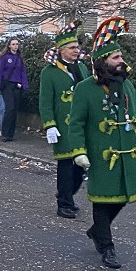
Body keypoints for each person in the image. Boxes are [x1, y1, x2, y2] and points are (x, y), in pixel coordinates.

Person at [68, 17, 136, 269]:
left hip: (127, 156)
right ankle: (107, 246)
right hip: (101, 155)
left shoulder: (127, 86)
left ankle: (97, 231)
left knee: (122, 198)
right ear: (103, 61)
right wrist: (78, 152)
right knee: (103, 200)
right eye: (115, 57)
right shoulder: (85, 89)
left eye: (121, 56)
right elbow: (76, 124)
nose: (121, 61)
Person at [39, 21, 90, 219]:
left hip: (81, 127)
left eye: (77, 47)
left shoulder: (82, 68)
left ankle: (66, 194)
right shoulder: (49, 73)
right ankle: (64, 203)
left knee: (80, 167)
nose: (76, 50)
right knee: (66, 166)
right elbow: (45, 102)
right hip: (62, 127)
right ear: (61, 50)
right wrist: (49, 125)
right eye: (72, 47)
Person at [0, 37, 28, 142]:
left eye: (17, 44)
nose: (15, 46)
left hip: (17, 85)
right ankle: (5, 133)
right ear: (9, 46)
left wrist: (25, 85)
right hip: (7, 85)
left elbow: (23, 72)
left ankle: (11, 134)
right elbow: (0, 72)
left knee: (14, 110)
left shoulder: (19, 58)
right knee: (10, 108)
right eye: (13, 44)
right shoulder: (5, 57)